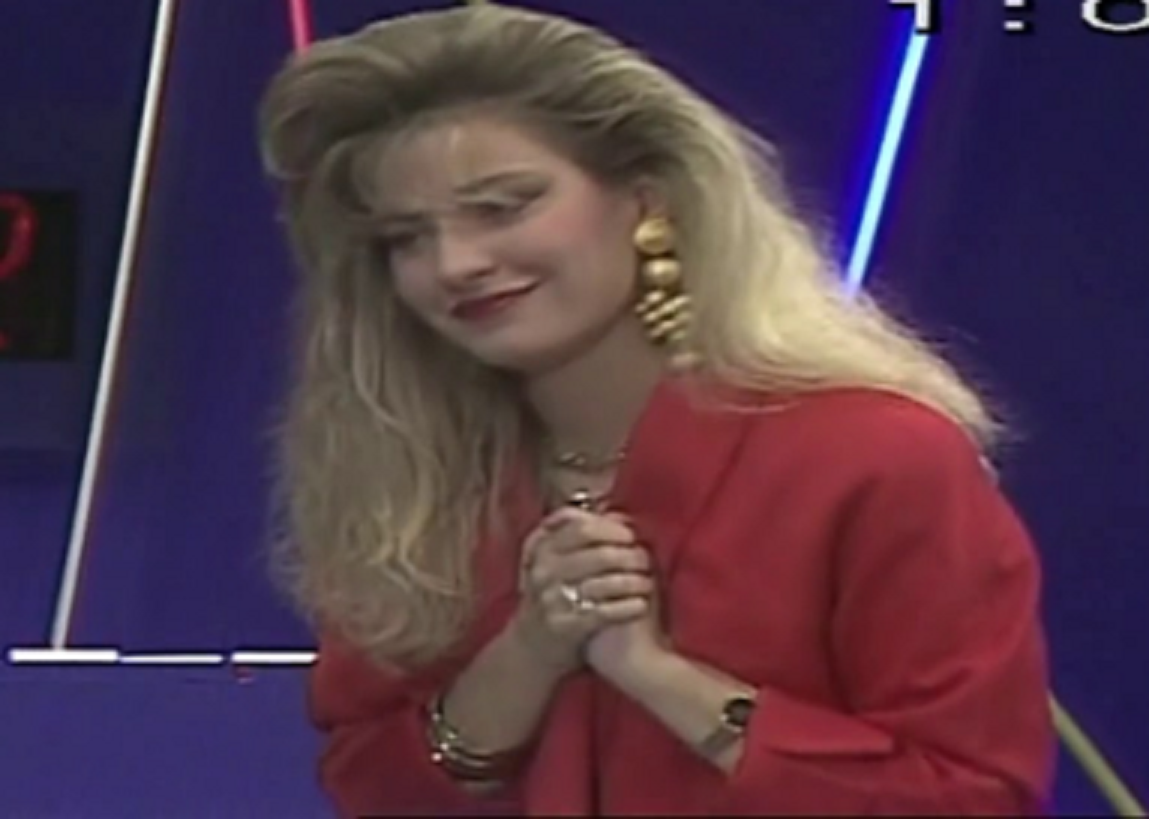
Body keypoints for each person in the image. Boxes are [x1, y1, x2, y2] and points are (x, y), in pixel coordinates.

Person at [256, 5, 1055, 816]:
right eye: (406, 237)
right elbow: (373, 786)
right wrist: (528, 651)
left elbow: (968, 799)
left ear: (646, 199)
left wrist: (657, 675)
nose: (455, 263)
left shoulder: (875, 457)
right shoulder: (409, 480)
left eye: (501, 207)